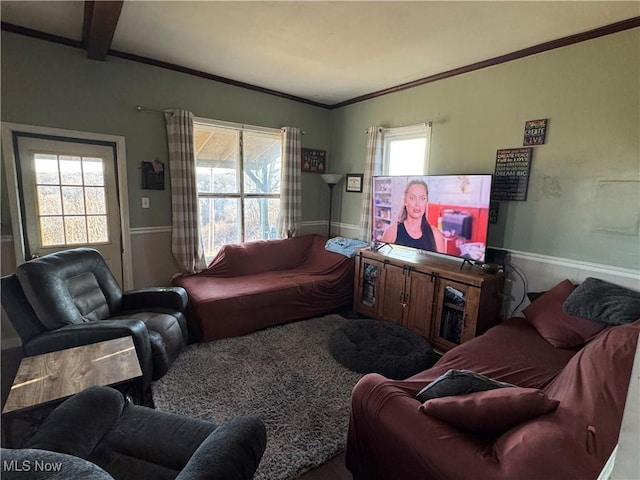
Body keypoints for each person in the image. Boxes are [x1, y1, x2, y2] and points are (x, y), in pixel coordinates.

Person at [381, 179, 445, 252]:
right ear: (405, 201)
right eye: (412, 198)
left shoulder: (436, 235)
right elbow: (380, 261)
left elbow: (442, 263)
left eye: (422, 198)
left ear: (426, 202)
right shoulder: (391, 232)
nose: (417, 204)